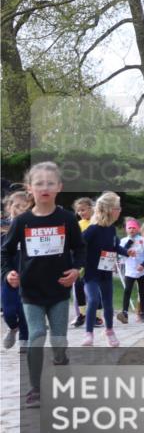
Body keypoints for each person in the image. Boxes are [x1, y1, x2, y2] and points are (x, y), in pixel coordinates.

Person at [1, 162, 85, 408]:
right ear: (30, 188)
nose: (44, 187)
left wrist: (76, 270)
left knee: (58, 340)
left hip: (59, 289)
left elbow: (80, 248)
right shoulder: (22, 222)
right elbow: (5, 253)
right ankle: (35, 388)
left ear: (59, 187)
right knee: (36, 335)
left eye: (50, 183)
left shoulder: (67, 219)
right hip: (31, 290)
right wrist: (9, 273)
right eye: (39, 183)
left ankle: (61, 362)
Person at [80, 192, 132, 346]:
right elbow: (78, 244)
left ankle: (109, 331)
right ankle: (88, 333)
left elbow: (115, 246)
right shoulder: (93, 229)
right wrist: (76, 263)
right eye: (118, 207)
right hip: (91, 273)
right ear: (109, 209)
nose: (120, 210)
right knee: (94, 299)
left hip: (106, 272)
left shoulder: (111, 229)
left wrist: (126, 252)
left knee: (108, 304)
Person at [2, 191, 31, 352]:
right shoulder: (3, 230)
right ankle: (13, 328)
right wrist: (7, 273)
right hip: (7, 276)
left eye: (24, 206)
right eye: (16, 206)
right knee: (9, 311)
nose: (19, 209)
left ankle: (24, 340)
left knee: (23, 309)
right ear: (9, 207)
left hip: (27, 277)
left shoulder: (31, 227)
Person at [119, 218, 144, 322]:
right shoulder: (123, 241)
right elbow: (120, 255)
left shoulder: (142, 240)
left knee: (142, 291)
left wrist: (143, 264)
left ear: (137, 229)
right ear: (126, 229)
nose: (132, 230)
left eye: (134, 228)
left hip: (142, 270)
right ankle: (124, 313)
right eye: (129, 228)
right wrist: (127, 246)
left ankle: (142, 313)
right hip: (130, 270)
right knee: (127, 291)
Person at [71, 197, 95, 328]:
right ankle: (81, 314)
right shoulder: (78, 224)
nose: (81, 212)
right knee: (78, 286)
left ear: (91, 209)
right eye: (78, 210)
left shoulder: (96, 222)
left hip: (94, 259)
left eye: (83, 210)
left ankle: (97, 316)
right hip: (81, 260)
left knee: (93, 288)